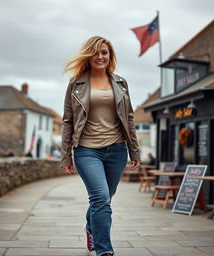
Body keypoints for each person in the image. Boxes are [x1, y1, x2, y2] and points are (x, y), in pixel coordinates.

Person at [61, 36, 141, 256]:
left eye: (104, 52)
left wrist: (134, 150)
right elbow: (68, 121)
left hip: (116, 150)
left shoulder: (120, 83)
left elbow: (130, 118)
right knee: (100, 198)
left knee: (105, 198)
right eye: (96, 52)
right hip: (87, 150)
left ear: (110, 56)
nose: (100, 56)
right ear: (88, 55)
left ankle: (91, 228)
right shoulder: (76, 83)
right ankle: (104, 250)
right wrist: (65, 156)